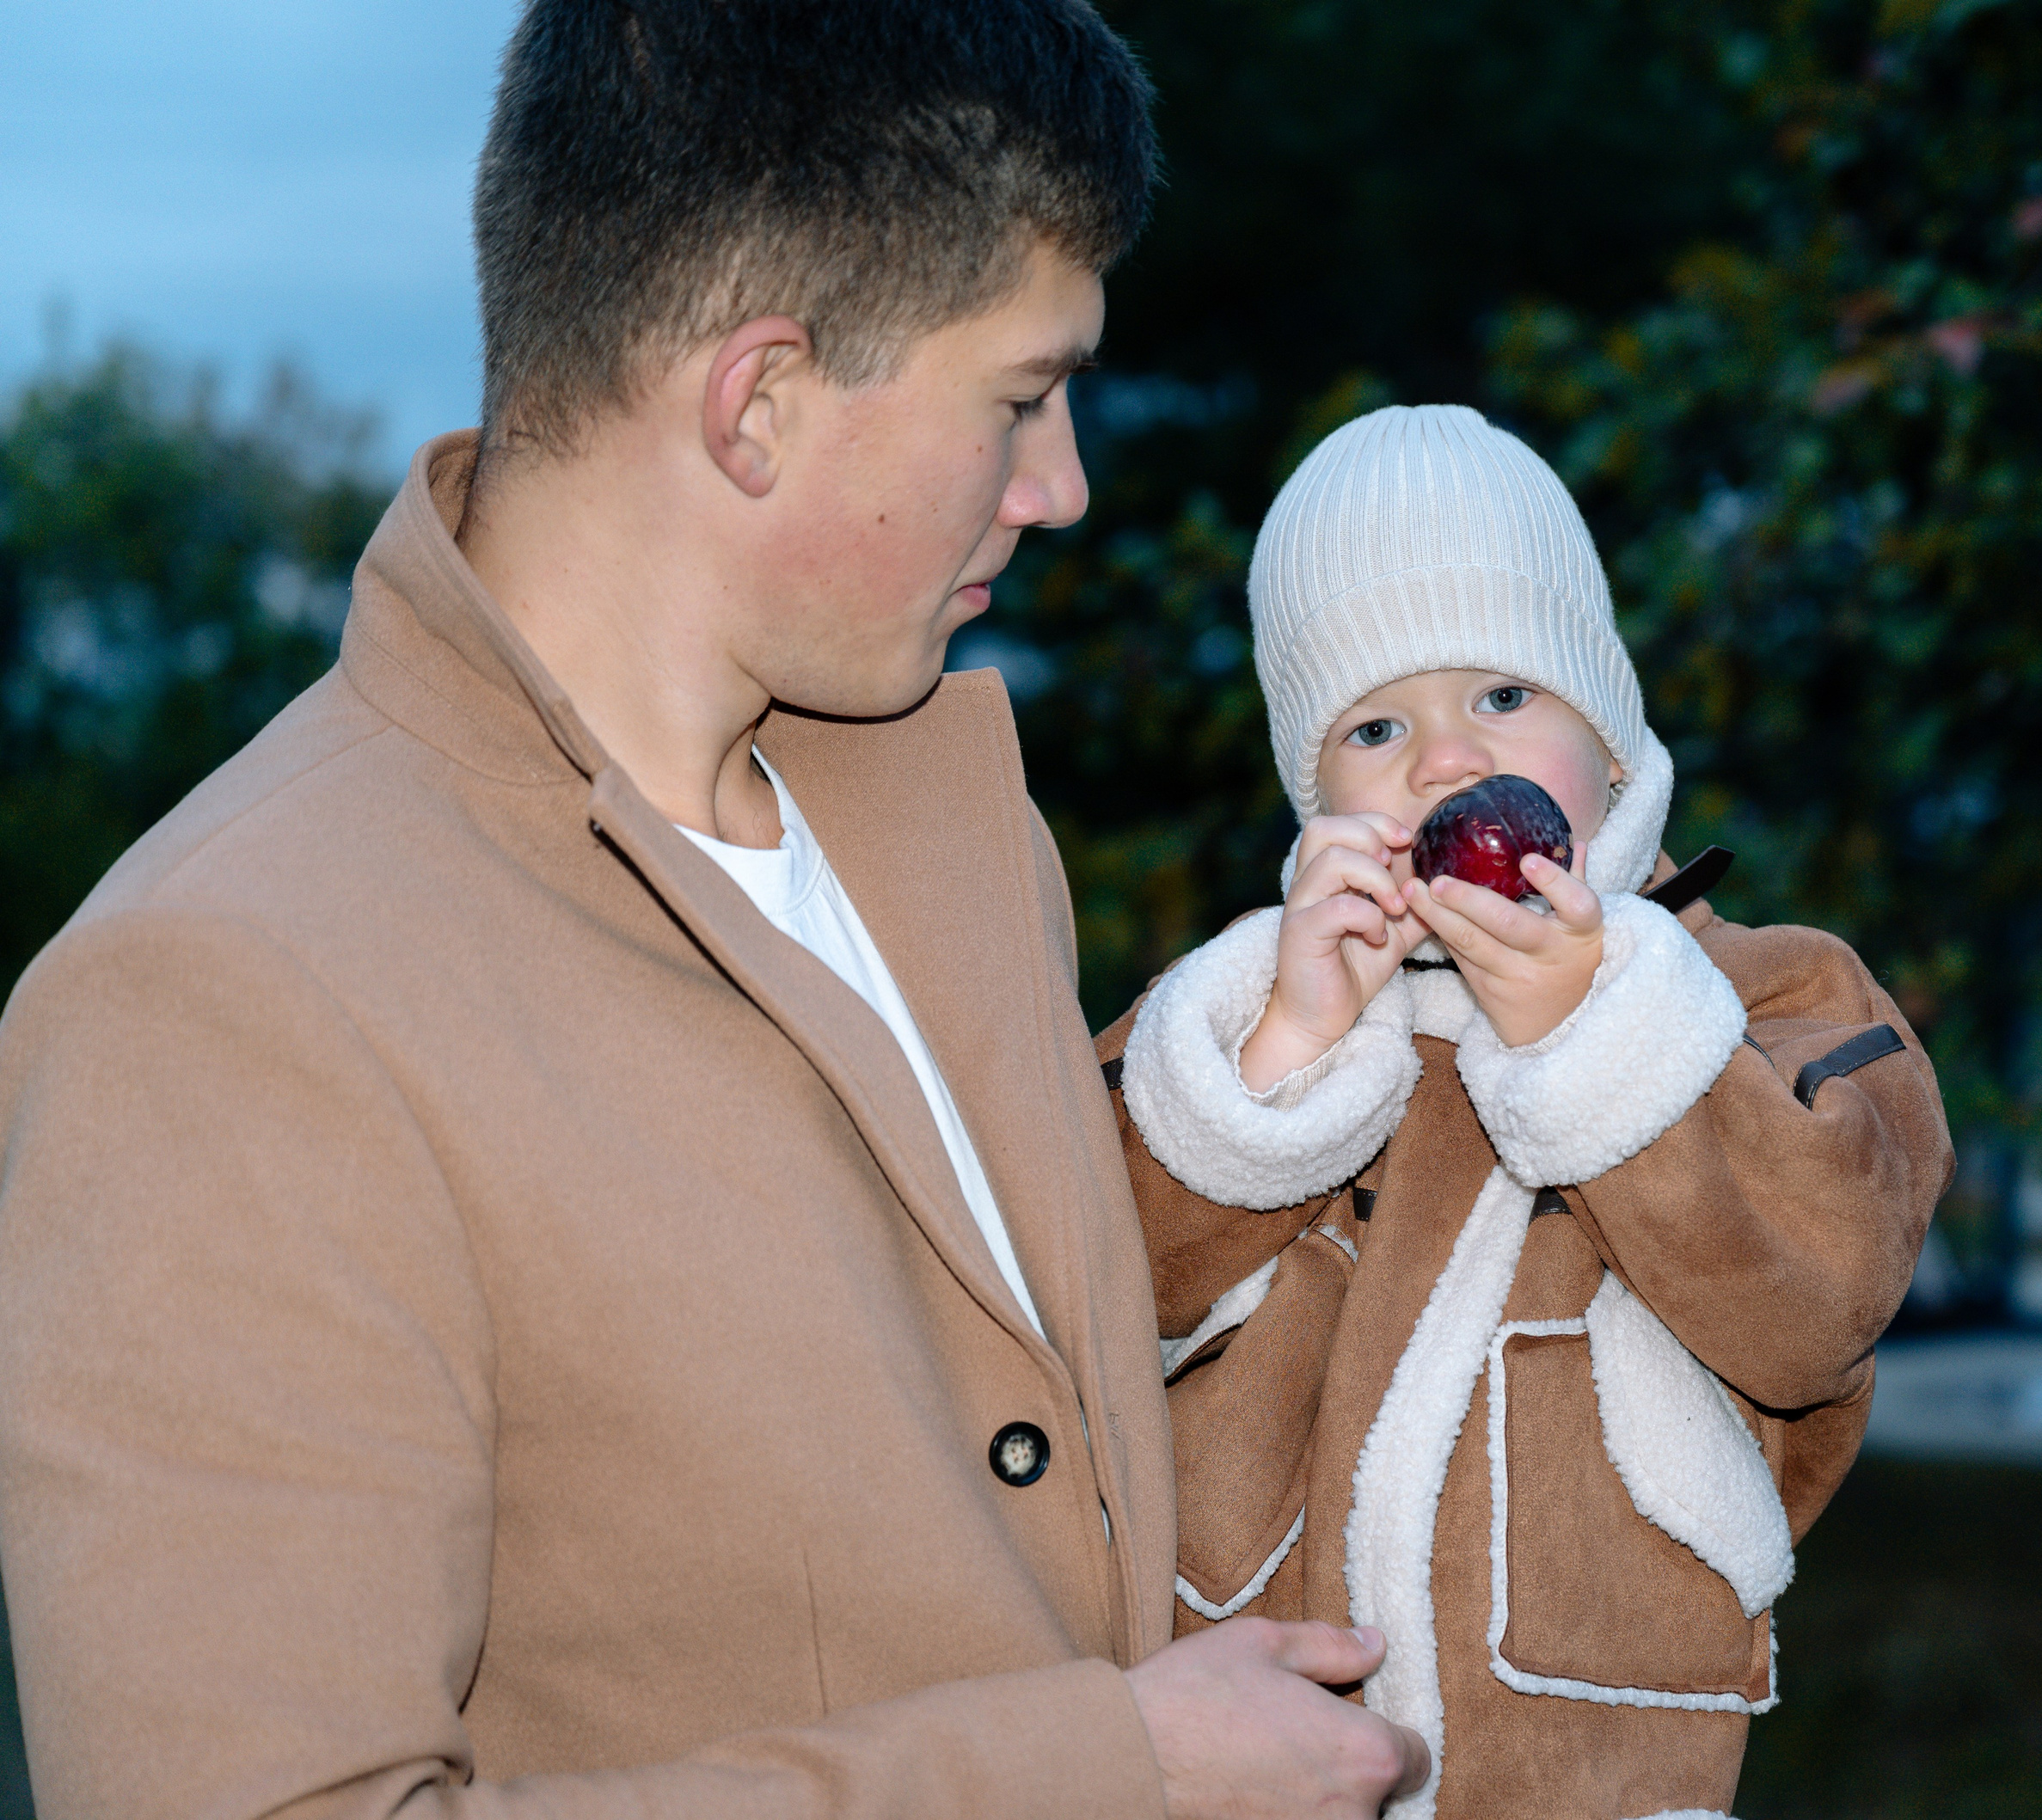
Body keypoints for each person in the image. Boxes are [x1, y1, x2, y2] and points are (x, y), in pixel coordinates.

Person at [0, 6, 1429, 1817]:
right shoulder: (219, 996)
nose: (1061, 487)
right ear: (757, 403)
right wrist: (1106, 1774)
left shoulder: (951, 823)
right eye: (1018, 398)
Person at [1099, 405, 1954, 1820]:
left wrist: (1597, 1037)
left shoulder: (1768, 997)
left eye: (1503, 695)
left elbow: (1825, 1296)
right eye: (1377, 726)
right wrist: (1284, 1051)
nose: (1445, 759)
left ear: (1610, 741)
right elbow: (1079, 1289)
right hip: (1270, 1750)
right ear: (1314, 793)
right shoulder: (1235, 1014)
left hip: (1600, 1754)